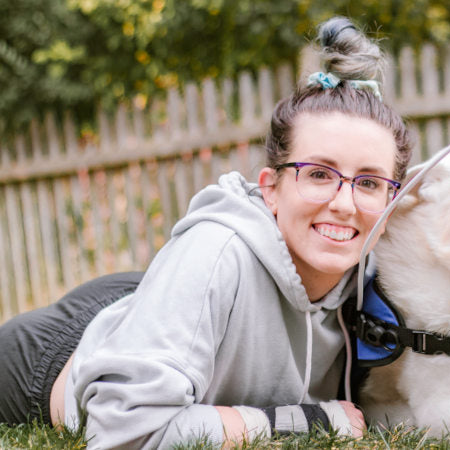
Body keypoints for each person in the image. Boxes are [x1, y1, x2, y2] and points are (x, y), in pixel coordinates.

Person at [0, 16, 413, 448]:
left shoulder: (379, 274)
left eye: (368, 182)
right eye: (318, 174)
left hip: (156, 305)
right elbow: (124, 429)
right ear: (271, 189)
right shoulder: (218, 251)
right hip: (53, 355)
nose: (344, 204)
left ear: (391, 202)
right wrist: (308, 420)